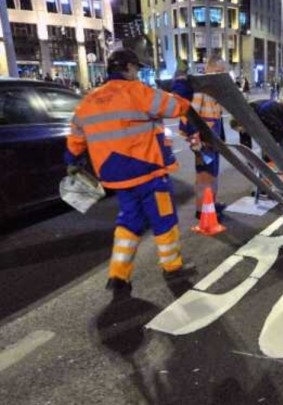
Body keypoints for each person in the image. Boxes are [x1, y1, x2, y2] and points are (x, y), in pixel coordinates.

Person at [65, 48, 196, 299]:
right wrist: (181, 82)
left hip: (116, 177)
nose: (137, 73)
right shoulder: (137, 92)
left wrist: (72, 161)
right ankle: (172, 269)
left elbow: (76, 139)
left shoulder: (88, 101)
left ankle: (118, 275)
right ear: (126, 68)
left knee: (129, 222)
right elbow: (177, 106)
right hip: (148, 173)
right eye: (135, 68)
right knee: (164, 220)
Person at [176, 55, 227, 220]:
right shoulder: (201, 89)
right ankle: (204, 210)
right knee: (206, 176)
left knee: (211, 175)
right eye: (217, 71)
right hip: (203, 140)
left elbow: (216, 116)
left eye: (222, 72)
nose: (220, 75)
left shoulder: (213, 88)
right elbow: (191, 115)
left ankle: (211, 204)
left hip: (211, 139)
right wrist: (195, 142)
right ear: (208, 69)